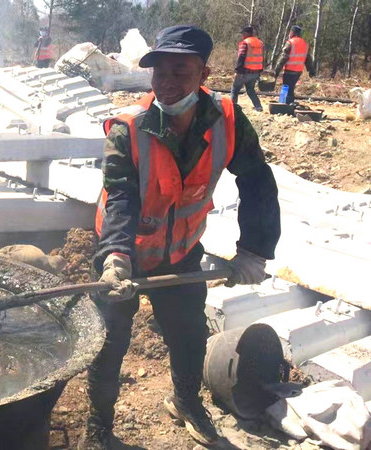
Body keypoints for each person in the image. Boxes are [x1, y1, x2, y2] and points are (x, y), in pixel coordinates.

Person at [79, 25, 281, 449]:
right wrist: (115, 256)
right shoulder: (129, 128)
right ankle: (98, 427)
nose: (167, 83)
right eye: (159, 73)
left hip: (181, 252)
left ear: (204, 74)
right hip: (125, 252)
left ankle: (186, 402)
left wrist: (254, 250)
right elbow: (120, 196)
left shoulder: (227, 120)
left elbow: (258, 181)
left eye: (180, 72)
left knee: (188, 335)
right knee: (109, 343)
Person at [274, 25, 315, 104]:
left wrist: (277, 70)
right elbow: (308, 59)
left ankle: (287, 105)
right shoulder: (305, 44)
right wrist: (311, 70)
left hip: (289, 70)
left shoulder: (290, 42)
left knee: (287, 88)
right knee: (291, 88)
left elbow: (283, 58)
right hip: (298, 71)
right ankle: (289, 103)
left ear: (292, 32)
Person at [231, 26, 264, 111]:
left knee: (235, 89)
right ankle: (258, 107)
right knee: (250, 90)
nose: (242, 35)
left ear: (246, 33)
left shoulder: (245, 43)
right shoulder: (260, 43)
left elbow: (241, 57)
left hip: (245, 72)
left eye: (243, 34)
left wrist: (237, 70)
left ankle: (232, 107)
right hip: (255, 72)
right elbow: (261, 57)